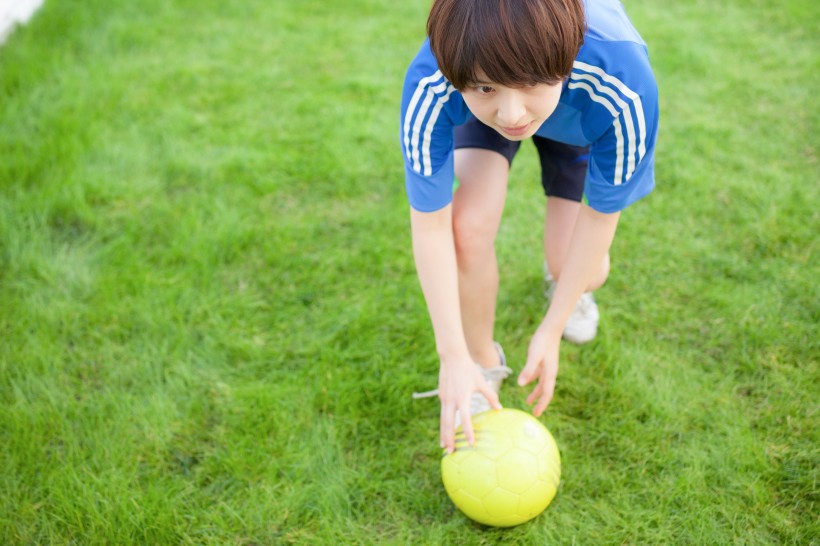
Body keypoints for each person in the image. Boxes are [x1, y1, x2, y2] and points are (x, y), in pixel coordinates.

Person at [401, 0, 659, 453]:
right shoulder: (437, 76)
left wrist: (552, 326)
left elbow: (601, 215)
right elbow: (431, 227)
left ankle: (567, 287)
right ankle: (482, 365)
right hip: (495, 91)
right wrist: (453, 356)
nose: (512, 114)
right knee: (466, 229)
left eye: (528, 86)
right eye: (486, 88)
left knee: (580, 270)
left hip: (578, 115)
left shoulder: (622, 81)